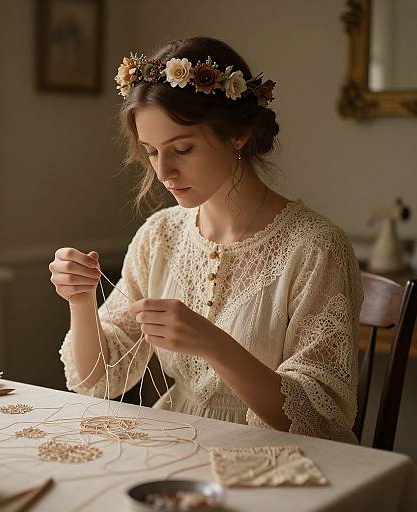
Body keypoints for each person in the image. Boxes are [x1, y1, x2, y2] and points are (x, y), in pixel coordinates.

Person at [49, 36, 363, 443]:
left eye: (181, 149)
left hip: (284, 459)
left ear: (238, 134)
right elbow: (98, 380)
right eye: (151, 151)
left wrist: (214, 344)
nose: (164, 172)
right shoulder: (159, 236)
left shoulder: (316, 248)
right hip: (176, 445)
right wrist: (81, 301)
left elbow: (318, 418)